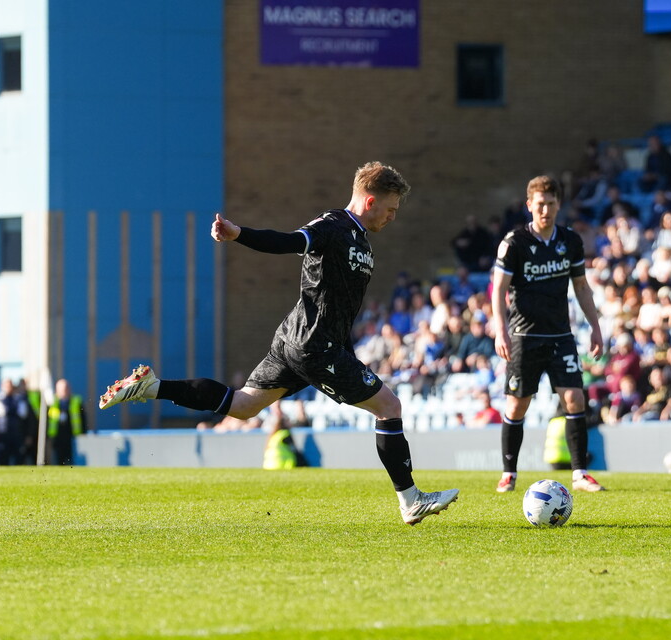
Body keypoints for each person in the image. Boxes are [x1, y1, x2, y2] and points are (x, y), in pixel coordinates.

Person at [99, 162, 458, 525]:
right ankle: (410, 500)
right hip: (313, 346)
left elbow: (340, 308)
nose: (393, 216)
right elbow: (289, 241)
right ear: (369, 201)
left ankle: (151, 387)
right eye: (391, 208)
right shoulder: (333, 225)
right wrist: (239, 233)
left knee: (242, 406)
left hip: (304, 341)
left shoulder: (360, 240)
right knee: (389, 406)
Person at [491, 174, 605, 493]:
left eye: (551, 204)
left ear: (559, 205)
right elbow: (498, 289)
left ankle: (580, 473)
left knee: (575, 398)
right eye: (540, 204)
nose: (545, 210)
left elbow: (581, 286)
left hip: (560, 336)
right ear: (529, 205)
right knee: (517, 405)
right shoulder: (514, 243)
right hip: (524, 336)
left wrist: (596, 327)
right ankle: (509, 474)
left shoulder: (570, 241)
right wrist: (500, 331)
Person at [47, 378, 86, 465]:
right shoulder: (52, 402)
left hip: (71, 434)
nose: (64, 391)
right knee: (58, 459)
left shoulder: (76, 401)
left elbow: (83, 417)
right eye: (62, 389)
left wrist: (83, 432)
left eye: (66, 388)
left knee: (71, 458)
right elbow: (47, 419)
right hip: (57, 435)